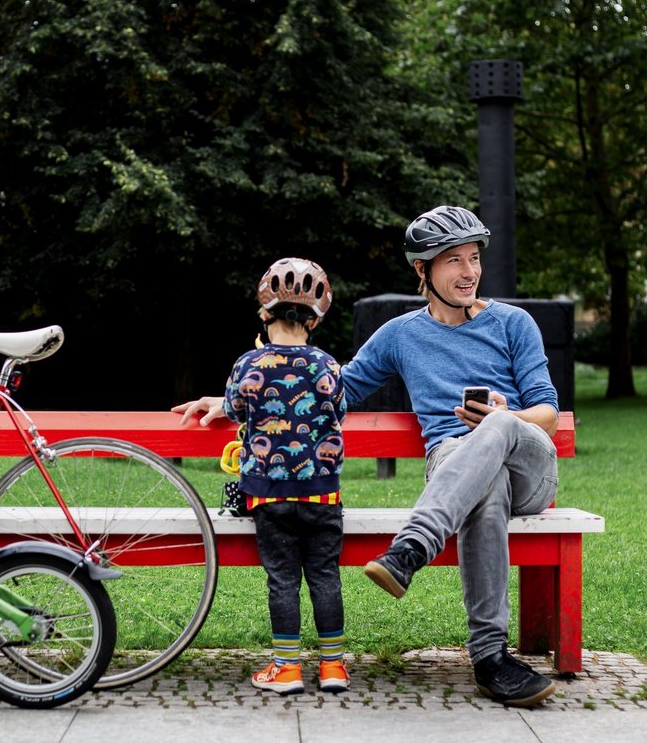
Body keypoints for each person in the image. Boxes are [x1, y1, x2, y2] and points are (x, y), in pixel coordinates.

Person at [174, 206, 560, 708]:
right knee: (482, 492)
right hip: (456, 466)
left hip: (528, 462)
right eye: (454, 262)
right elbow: (332, 389)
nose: (469, 272)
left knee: (499, 426)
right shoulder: (401, 335)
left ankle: (410, 550)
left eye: (473, 259)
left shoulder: (514, 323)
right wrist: (227, 402)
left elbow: (548, 413)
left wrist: (508, 415)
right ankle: (491, 660)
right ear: (423, 270)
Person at [220, 257, 350, 696]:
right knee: (325, 577)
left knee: (283, 579)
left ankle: (287, 669)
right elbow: (341, 413)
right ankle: (333, 667)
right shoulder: (328, 366)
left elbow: (233, 409)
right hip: (322, 497)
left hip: (269, 497)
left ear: (264, 313)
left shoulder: (248, 364)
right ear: (314, 319)